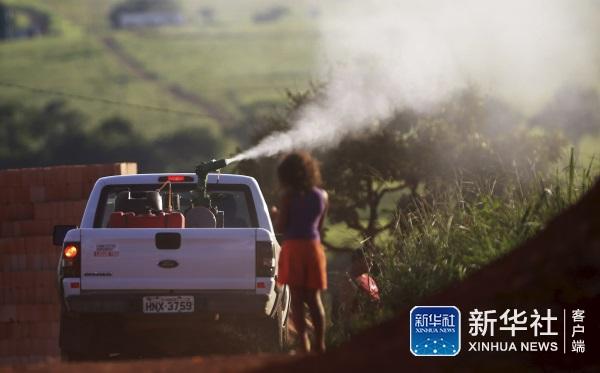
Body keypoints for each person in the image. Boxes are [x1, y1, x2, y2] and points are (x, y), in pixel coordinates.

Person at [275, 151, 328, 354]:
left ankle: (304, 343)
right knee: (314, 299)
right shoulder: (322, 196)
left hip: (294, 247)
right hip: (313, 248)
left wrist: (275, 214)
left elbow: (281, 226)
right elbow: (318, 226)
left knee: (297, 298)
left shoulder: (288, 196)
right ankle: (321, 344)